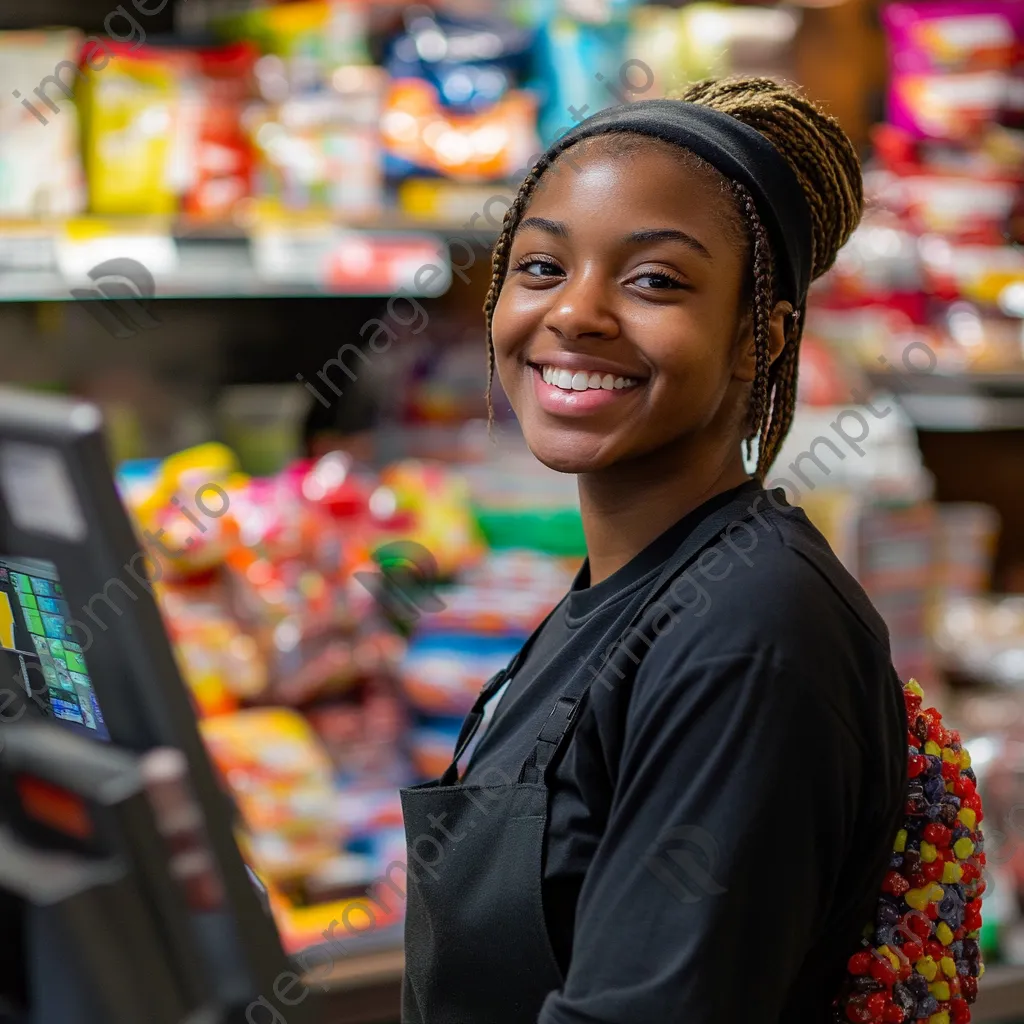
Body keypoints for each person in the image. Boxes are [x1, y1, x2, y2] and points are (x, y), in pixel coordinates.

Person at [399, 77, 907, 1023]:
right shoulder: (628, 588)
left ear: (763, 337)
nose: (577, 314)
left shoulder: (750, 630)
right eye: (542, 268)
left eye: (655, 281)